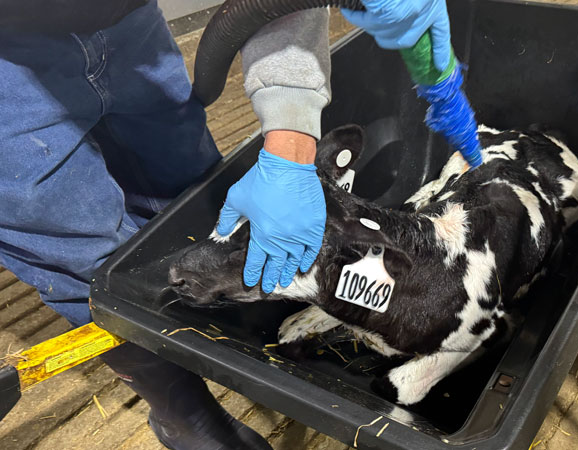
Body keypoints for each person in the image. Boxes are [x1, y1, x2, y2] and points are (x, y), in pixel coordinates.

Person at [0, 0, 450, 448]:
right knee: (82, 253)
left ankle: (219, 330)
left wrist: (290, 142)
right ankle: (183, 413)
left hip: (129, 25)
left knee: (187, 193)